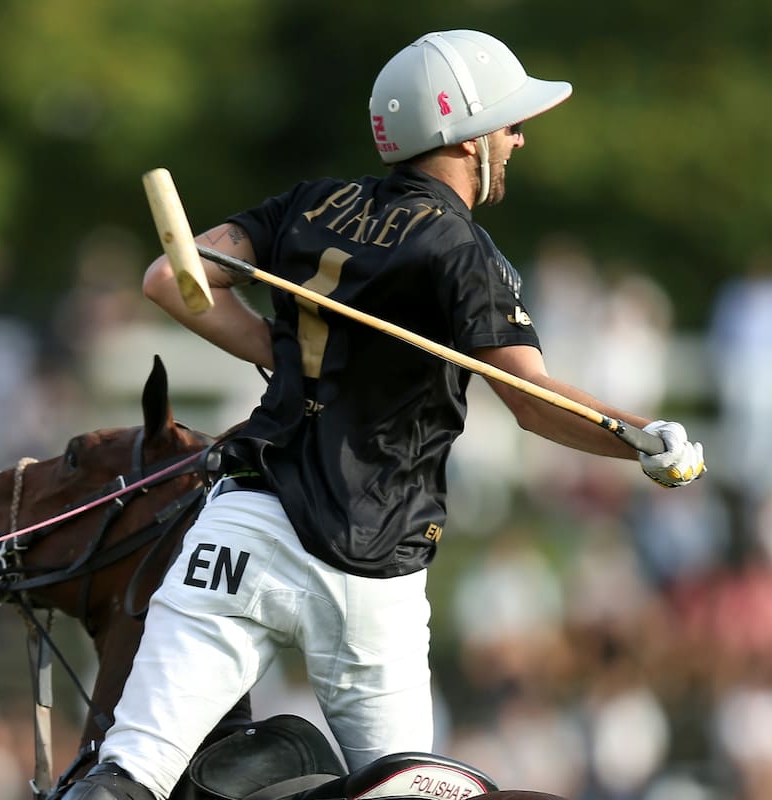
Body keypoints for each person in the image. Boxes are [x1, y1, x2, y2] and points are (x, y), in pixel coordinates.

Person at [61, 29, 705, 800]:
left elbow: (172, 278)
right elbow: (531, 403)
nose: (520, 137)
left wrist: (287, 352)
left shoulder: (308, 202)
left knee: (125, 777)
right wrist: (640, 440)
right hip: (371, 563)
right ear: (467, 139)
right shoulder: (467, 251)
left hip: (243, 528)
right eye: (509, 124)